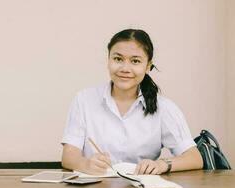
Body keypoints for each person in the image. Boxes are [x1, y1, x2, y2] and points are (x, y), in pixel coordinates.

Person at [61, 29, 203, 175]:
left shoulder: (164, 108)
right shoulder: (84, 100)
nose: (125, 68)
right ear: (108, 60)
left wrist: (161, 165)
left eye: (135, 61)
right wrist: (86, 164)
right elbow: (68, 157)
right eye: (118, 59)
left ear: (148, 66)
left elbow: (195, 158)